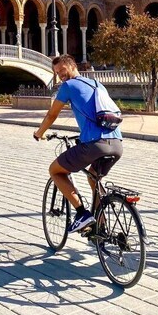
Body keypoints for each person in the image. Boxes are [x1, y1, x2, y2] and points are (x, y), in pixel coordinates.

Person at [33, 54, 123, 232]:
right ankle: (101, 226)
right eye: (57, 73)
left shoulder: (68, 86)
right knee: (94, 179)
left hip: (95, 144)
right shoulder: (97, 84)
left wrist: (39, 133)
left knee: (55, 171)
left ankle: (82, 214)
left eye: (62, 70)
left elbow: (52, 114)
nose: (61, 76)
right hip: (117, 143)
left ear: (72, 66)